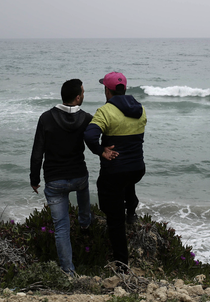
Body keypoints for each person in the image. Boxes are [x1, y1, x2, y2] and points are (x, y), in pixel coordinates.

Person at [84, 71, 147, 271]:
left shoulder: (105, 111)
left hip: (115, 172)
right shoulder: (141, 110)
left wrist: (101, 151)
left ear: (107, 91)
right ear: (124, 89)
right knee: (126, 180)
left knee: (113, 216)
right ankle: (132, 211)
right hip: (137, 168)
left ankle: (122, 265)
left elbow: (90, 136)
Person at [29, 78, 93, 274]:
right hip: (78, 177)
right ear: (77, 97)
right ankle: (85, 223)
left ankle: (68, 272)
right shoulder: (87, 118)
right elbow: (94, 142)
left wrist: (34, 179)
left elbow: (37, 151)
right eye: (83, 92)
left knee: (62, 228)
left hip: (54, 181)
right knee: (83, 190)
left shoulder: (46, 118)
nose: (84, 95)